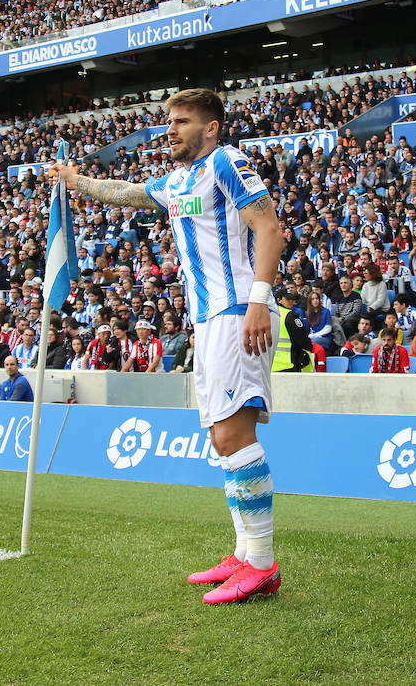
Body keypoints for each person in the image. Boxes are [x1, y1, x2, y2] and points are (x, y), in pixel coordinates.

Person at [51, 87, 283, 604]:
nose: (171, 129)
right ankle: (244, 553)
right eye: (169, 121)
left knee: (235, 434)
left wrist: (259, 301)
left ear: (211, 127)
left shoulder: (227, 162)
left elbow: (270, 229)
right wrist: (75, 181)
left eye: (182, 121)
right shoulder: (177, 182)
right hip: (208, 320)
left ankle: (263, 564)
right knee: (220, 439)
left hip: (237, 311)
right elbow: (127, 193)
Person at [272, 288, 312, 372]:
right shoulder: (290, 316)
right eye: (288, 299)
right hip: (288, 364)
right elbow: (302, 339)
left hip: (271, 365)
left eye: (292, 299)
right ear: (278, 300)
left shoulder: (270, 314)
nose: (291, 302)